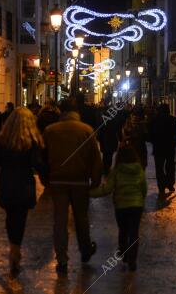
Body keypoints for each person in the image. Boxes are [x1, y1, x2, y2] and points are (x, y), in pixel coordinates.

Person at [43, 98, 102, 273]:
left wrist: (46, 177)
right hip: (79, 181)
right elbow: (95, 158)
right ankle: (85, 249)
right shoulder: (86, 130)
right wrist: (95, 179)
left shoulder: (50, 130)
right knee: (81, 218)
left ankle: (62, 258)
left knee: (59, 221)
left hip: (58, 181)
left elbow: (42, 155)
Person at [0, 107, 46, 278]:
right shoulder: (31, 142)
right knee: (20, 218)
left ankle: (14, 247)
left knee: (10, 216)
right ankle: (15, 249)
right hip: (24, 186)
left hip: (6, 185)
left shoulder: (3, 141)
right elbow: (38, 163)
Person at [90, 146, 147, 271]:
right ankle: (132, 260)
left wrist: (90, 193)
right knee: (134, 233)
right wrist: (140, 199)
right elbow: (144, 188)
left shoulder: (116, 171)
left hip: (121, 206)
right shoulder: (139, 170)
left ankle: (124, 253)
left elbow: (107, 189)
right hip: (136, 206)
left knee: (123, 230)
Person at [149, 104, 176, 198]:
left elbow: (150, 133)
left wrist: (153, 140)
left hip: (158, 147)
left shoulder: (155, 120)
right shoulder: (172, 119)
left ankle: (161, 186)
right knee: (170, 166)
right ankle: (170, 183)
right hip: (169, 146)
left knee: (159, 168)